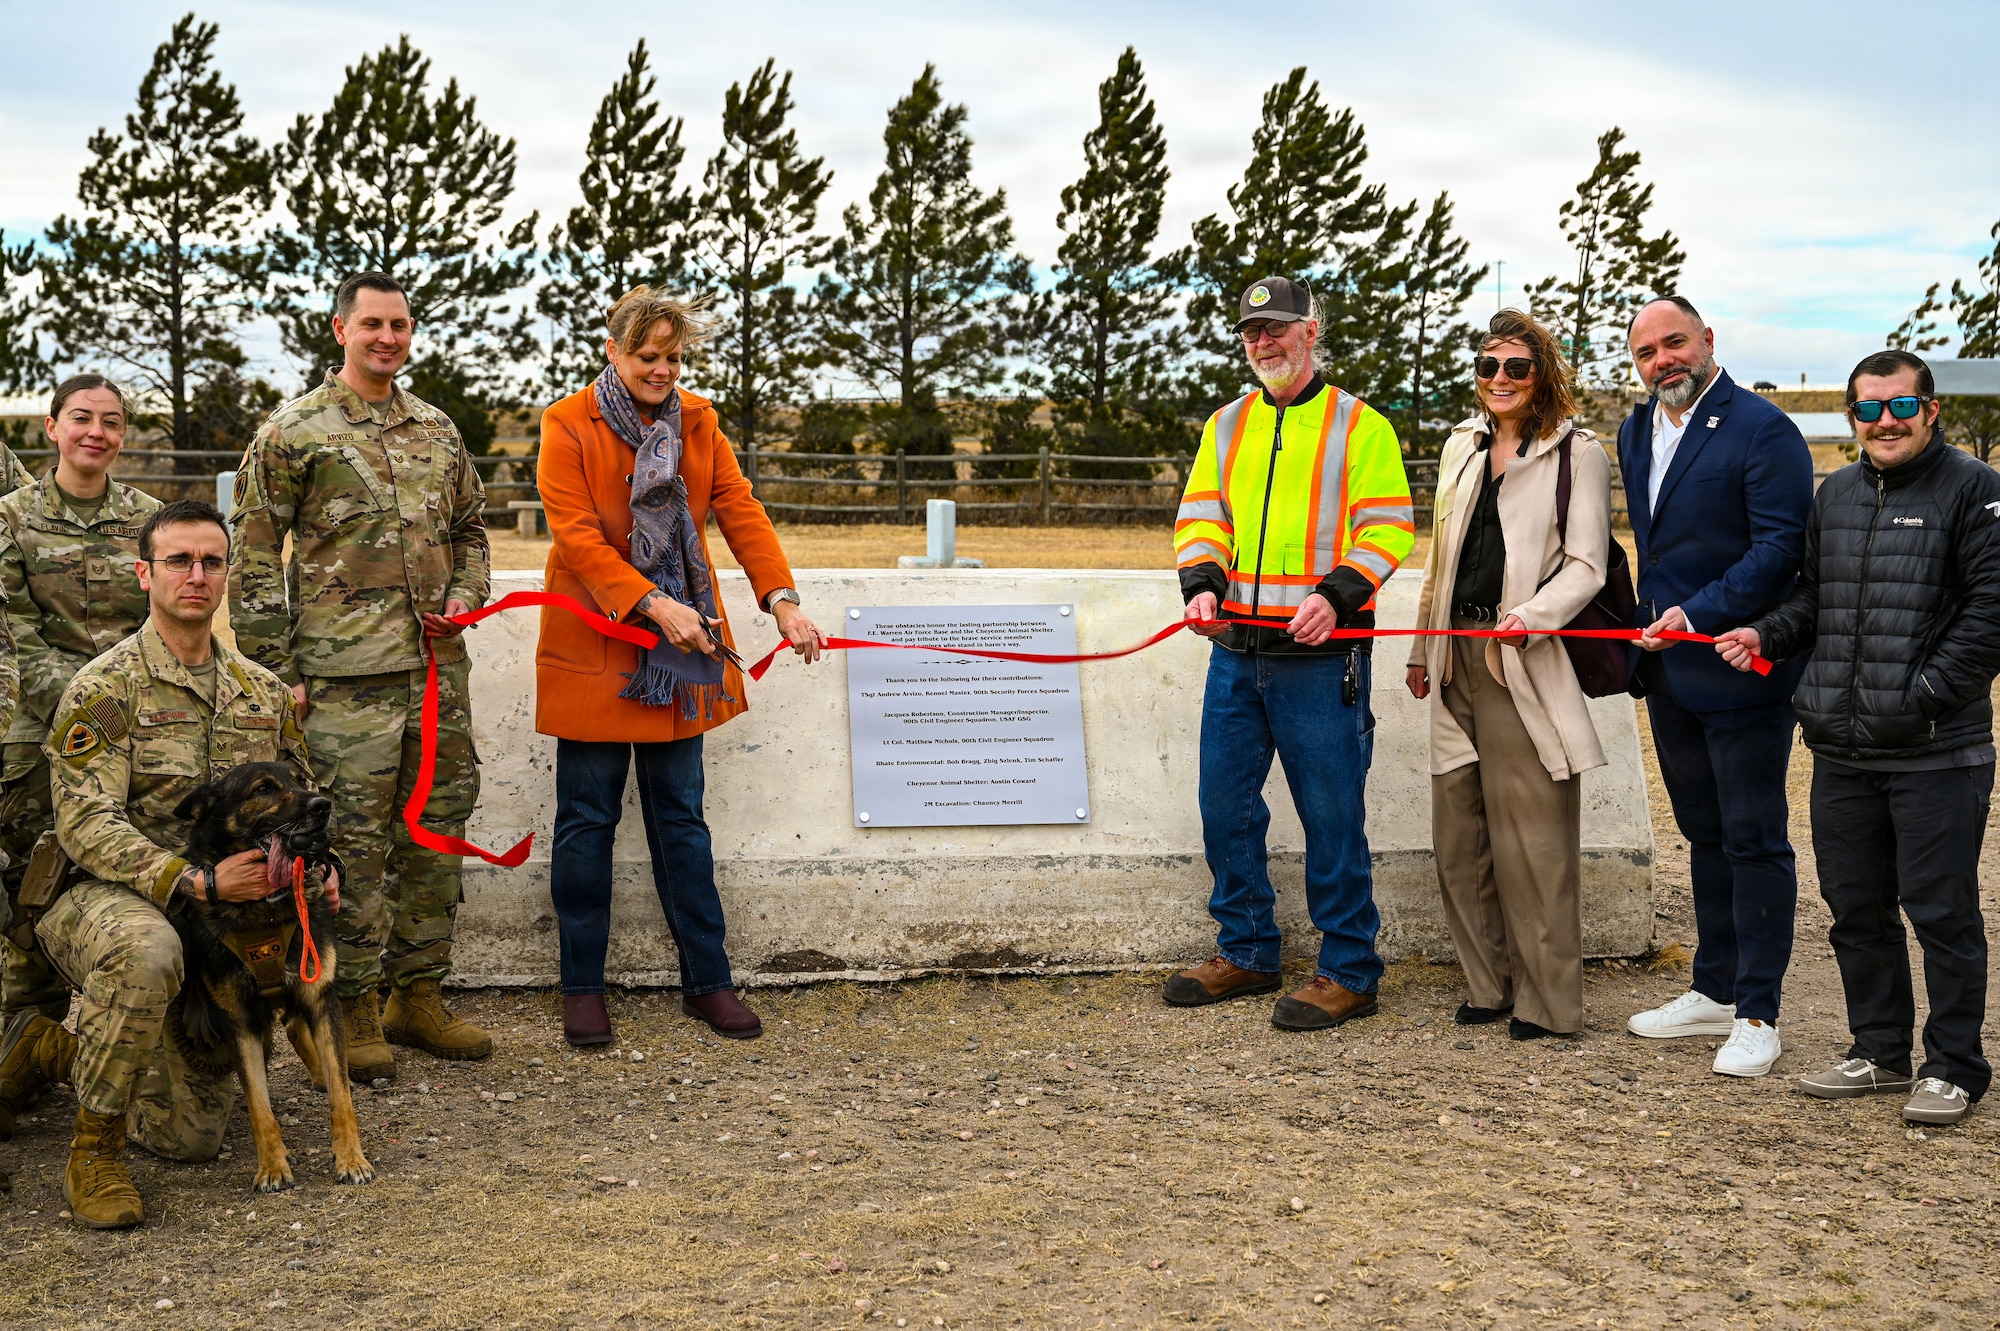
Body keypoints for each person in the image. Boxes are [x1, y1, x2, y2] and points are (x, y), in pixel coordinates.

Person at [0, 500, 335, 1228]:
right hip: (108, 897)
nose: (197, 575)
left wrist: (318, 865)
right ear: (144, 573)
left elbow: (303, 801)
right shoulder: (105, 689)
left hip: (218, 914)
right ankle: (95, 1152)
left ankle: (50, 1046)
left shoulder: (264, 693)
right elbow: (86, 823)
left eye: (212, 561)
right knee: (149, 951)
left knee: (190, 1140)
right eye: (180, 561)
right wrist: (194, 879)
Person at [1716, 350, 2000, 1125]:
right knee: (1855, 908)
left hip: (1937, 749)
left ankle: (1954, 1066)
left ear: (1930, 410)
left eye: (1899, 407)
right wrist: (1764, 633)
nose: (1884, 422)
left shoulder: (1976, 491)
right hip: (1842, 749)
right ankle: (1879, 1050)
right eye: (1868, 409)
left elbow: (1990, 613)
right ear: (1852, 417)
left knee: (1940, 911)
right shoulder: (1835, 492)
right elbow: (1816, 598)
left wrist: (1923, 696)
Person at [535, 286, 821, 1046]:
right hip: (601, 642)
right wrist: (652, 605)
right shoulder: (567, 423)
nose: (661, 369)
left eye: (672, 357)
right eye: (646, 356)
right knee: (586, 822)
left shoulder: (700, 422)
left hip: (682, 651)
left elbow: (740, 509)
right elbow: (577, 537)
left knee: (681, 823)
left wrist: (782, 600)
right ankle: (582, 987)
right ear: (614, 352)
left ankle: (708, 979)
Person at [230, 271, 490, 1082]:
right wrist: (279, 674)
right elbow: (253, 557)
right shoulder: (293, 432)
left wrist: (465, 592)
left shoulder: (438, 431)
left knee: (437, 830)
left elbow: (473, 529)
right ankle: (354, 1004)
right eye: (372, 323)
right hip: (344, 682)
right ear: (339, 328)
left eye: (400, 324)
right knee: (351, 844)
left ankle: (419, 993)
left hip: (437, 675)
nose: (388, 337)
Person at [1167, 275, 1414, 1031]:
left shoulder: (1361, 425)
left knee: (1332, 816)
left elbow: (1388, 526)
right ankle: (1246, 948)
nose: (1263, 341)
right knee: (1224, 808)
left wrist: (1334, 595)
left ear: (1311, 331)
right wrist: (1202, 584)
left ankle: (1349, 969)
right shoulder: (1227, 425)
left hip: (1322, 659)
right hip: (1235, 654)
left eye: (1277, 327)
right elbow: (1202, 515)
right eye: (1251, 331)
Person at [1617, 296, 1815, 1078]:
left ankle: (1759, 1011)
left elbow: (1778, 551)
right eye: (1645, 352)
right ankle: (1714, 987)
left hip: (1742, 670)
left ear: (1707, 340)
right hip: (1670, 675)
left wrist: (1695, 612)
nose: (1662, 360)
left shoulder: (1763, 429)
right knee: (1702, 835)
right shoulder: (1637, 429)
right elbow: (1656, 546)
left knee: (1754, 838)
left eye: (1674, 343)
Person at [1406, 310, 1611, 1040]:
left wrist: (1532, 616)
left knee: (1534, 842)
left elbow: (1590, 564)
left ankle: (1548, 1005)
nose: (1499, 379)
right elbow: (1441, 555)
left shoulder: (1578, 452)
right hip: (1451, 653)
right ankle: (1488, 985)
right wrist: (1420, 648)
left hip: (1517, 654)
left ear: (1543, 374)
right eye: (1488, 365)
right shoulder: (1460, 444)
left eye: (1516, 367)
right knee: (1457, 836)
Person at [0, 375, 160, 1024]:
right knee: (28, 884)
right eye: (82, 417)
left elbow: (167, 623)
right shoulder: (11, 516)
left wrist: (125, 717)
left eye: (112, 421)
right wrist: (91, 721)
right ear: (52, 427)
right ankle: (27, 1035)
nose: (97, 431)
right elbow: (14, 632)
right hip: (39, 723)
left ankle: (127, 1026)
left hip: (138, 723)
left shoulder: (150, 519)